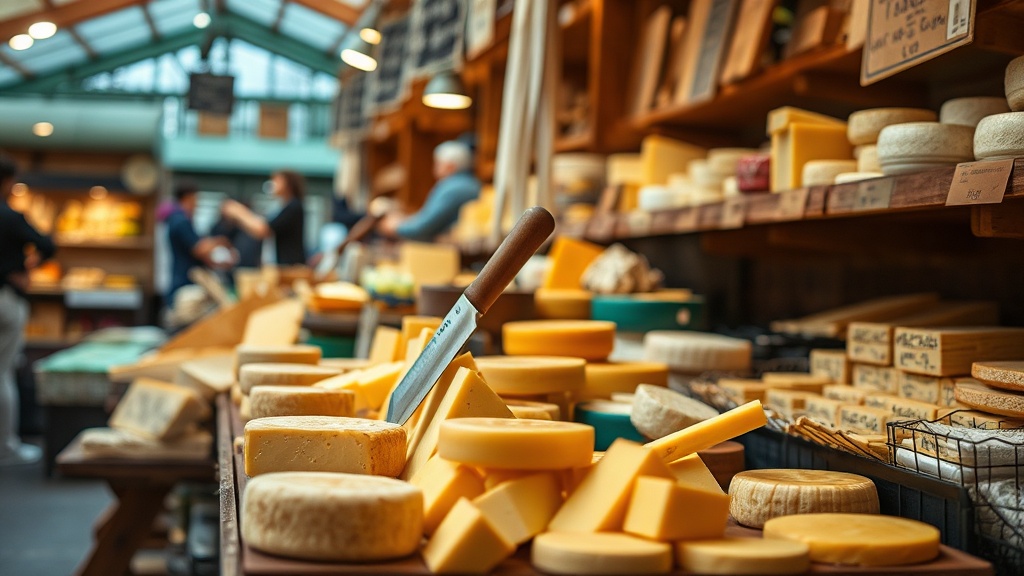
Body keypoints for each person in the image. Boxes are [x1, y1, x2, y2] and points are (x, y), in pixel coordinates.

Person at [0, 151, 55, 465]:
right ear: (7, 182)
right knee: (3, 372)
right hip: (5, 298)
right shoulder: (10, 216)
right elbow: (47, 245)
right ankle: (5, 445)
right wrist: (23, 266)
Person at [377, 140, 481, 241]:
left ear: (450, 166)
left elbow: (421, 228)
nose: (434, 170)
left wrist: (396, 226)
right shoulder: (472, 183)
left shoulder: (451, 188)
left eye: (438, 164)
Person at [220, 170, 307, 265]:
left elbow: (263, 229)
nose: (273, 183)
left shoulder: (293, 206)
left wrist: (239, 212)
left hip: (290, 266)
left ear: (287, 183)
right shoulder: (283, 206)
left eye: (277, 180)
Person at [165, 181, 231, 302]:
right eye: (196, 200)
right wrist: (221, 241)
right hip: (184, 285)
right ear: (188, 198)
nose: (197, 205)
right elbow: (199, 249)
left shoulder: (180, 220)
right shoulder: (181, 221)